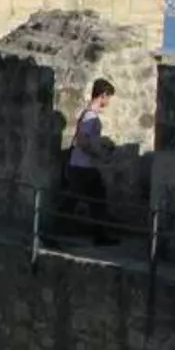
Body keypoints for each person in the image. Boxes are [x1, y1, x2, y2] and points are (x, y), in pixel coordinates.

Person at [64, 78, 118, 245]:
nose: (109, 101)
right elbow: (82, 140)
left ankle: (100, 236)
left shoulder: (87, 114)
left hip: (82, 166)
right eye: (109, 97)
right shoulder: (91, 117)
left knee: (94, 200)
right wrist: (98, 153)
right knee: (76, 201)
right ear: (103, 95)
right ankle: (50, 232)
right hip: (83, 167)